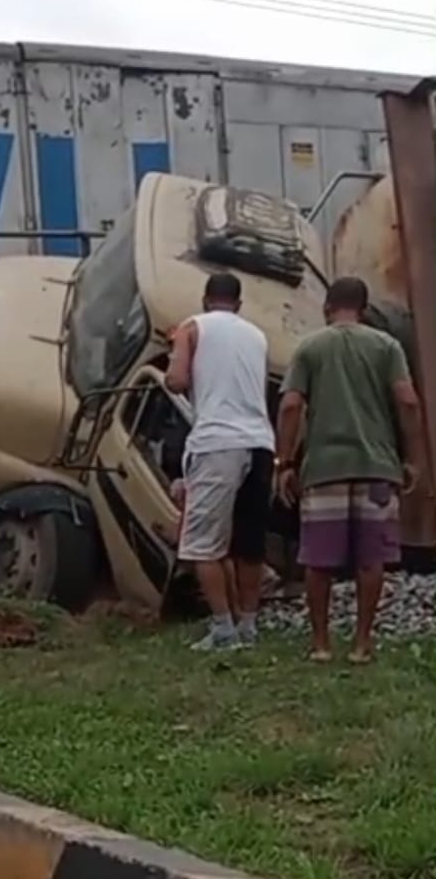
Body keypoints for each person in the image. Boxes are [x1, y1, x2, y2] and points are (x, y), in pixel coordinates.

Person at [277, 277, 425, 664]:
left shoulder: (310, 347)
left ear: (328, 308)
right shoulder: (387, 346)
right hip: (377, 467)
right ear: (363, 309)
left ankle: (322, 644)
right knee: (370, 559)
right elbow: (408, 402)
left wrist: (284, 462)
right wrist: (412, 458)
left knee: (319, 560)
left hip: (323, 469)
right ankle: (362, 644)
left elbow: (291, 406)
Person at [166, 271, 275, 650]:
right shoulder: (257, 336)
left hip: (217, 443)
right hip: (261, 443)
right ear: (239, 304)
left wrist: (177, 349)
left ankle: (223, 630)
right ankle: (248, 626)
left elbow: (176, 381)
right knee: (249, 543)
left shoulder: (192, 327)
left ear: (205, 299)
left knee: (202, 545)